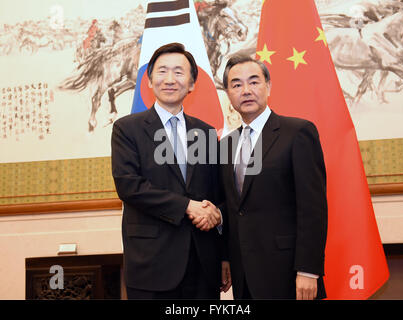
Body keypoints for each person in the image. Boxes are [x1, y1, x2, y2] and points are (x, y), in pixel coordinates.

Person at [111, 42, 231, 299]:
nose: (169, 79)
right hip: (151, 264)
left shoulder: (207, 133)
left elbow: (217, 194)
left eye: (179, 72)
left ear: (191, 84)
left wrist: (223, 255)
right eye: (162, 71)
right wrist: (187, 206)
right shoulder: (127, 129)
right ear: (149, 81)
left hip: (202, 265)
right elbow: (129, 186)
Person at [220, 54, 328, 299]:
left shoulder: (298, 132)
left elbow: (313, 208)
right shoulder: (226, 145)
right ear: (228, 93)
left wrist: (309, 270)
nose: (246, 90)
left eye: (254, 82)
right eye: (236, 85)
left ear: (268, 86)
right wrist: (225, 256)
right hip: (243, 274)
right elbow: (232, 208)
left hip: (288, 273)